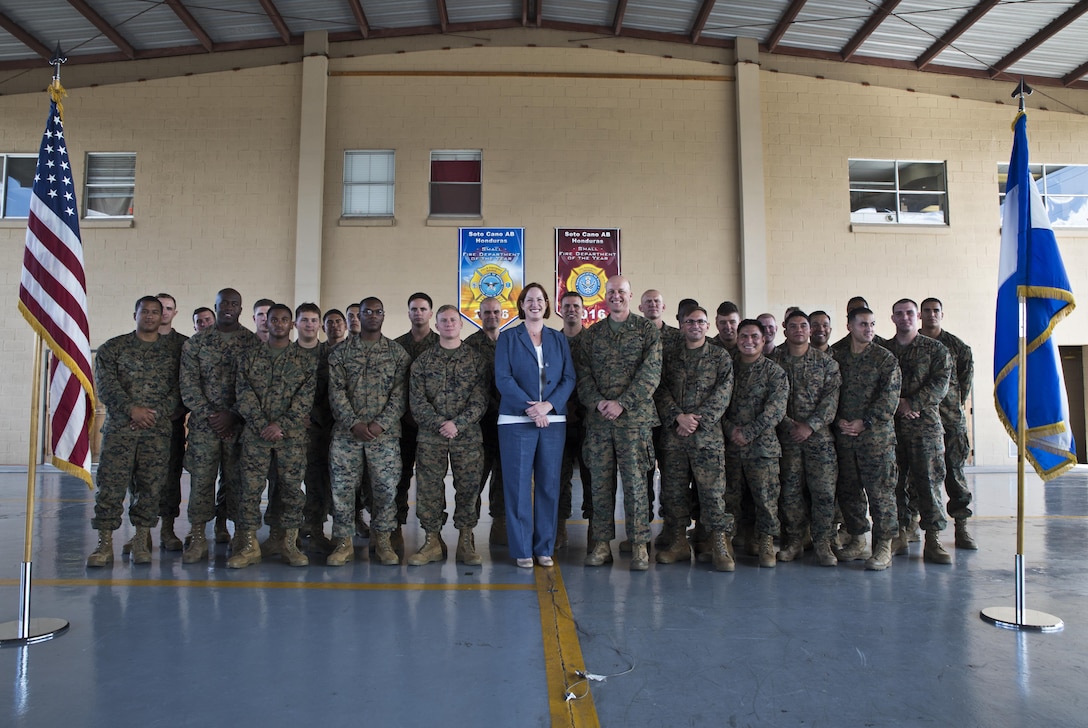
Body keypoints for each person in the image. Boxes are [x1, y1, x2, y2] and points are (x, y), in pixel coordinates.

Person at [575, 275, 662, 571]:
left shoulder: (646, 330)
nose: (616, 296)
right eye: (611, 292)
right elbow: (582, 373)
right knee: (600, 485)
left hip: (634, 421)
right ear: (605, 296)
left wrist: (622, 402)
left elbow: (651, 374)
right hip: (599, 423)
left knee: (637, 486)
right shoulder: (592, 334)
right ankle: (601, 544)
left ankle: (639, 544)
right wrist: (598, 402)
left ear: (630, 295)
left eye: (621, 292)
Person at [86, 297, 181, 567]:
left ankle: (141, 541)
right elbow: (105, 387)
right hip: (120, 430)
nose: (150, 316)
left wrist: (153, 414)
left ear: (163, 316)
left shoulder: (174, 352)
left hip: (156, 431)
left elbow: (179, 389)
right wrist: (132, 410)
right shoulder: (113, 348)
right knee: (111, 487)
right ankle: (104, 545)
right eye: (145, 312)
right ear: (135, 314)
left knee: (151, 488)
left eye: (155, 312)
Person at [496, 284, 576, 568]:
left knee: (548, 486)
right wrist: (531, 409)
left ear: (546, 305)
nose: (535, 304)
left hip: (553, 420)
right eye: (529, 300)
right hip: (516, 420)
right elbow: (503, 379)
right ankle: (522, 550)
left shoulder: (558, 338)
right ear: (521, 304)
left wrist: (548, 406)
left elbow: (569, 378)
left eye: (540, 300)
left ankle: (544, 547)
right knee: (517, 487)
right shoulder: (508, 338)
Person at [232, 303, 316, 568]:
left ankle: (288, 543)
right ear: (265, 323)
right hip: (256, 438)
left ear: (291, 325)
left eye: (284, 320)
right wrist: (262, 425)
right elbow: (243, 395)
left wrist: (281, 426)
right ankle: (248, 545)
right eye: (273, 319)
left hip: (290, 438)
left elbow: (305, 400)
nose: (278, 324)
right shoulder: (249, 358)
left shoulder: (306, 360)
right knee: (250, 491)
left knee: (291, 490)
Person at [179, 288, 261, 562]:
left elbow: (257, 387)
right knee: (201, 482)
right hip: (205, 428)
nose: (228, 307)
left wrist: (234, 415)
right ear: (214, 306)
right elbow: (188, 385)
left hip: (239, 427)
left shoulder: (252, 344)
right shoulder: (196, 344)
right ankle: (198, 537)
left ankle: (240, 536)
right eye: (223, 303)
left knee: (239, 482)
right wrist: (211, 416)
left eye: (234, 303)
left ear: (241, 308)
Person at [327, 297, 410, 566]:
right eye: (367, 312)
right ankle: (343, 542)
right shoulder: (340, 353)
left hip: (383, 436)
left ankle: (383, 540)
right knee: (342, 490)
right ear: (358, 316)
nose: (372, 316)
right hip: (347, 435)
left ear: (384, 316)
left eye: (377, 312)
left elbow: (400, 394)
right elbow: (336, 391)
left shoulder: (398, 354)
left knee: (385, 490)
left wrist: (379, 424)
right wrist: (354, 423)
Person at [654, 306, 735, 571]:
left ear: (707, 325)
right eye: (690, 321)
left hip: (707, 438)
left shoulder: (720, 357)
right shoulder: (670, 357)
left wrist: (696, 420)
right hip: (675, 436)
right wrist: (678, 417)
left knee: (712, 493)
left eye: (700, 321)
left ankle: (718, 543)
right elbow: (660, 389)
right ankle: (677, 541)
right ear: (682, 325)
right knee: (674, 492)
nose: (695, 326)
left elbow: (723, 393)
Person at [407, 305, 488, 566]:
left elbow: (480, 399)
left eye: (454, 320)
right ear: (437, 325)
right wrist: (441, 423)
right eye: (444, 320)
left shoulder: (476, 361)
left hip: (467, 437)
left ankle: (466, 540)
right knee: (429, 489)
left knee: (468, 488)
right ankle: (432, 540)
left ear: (461, 324)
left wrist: (458, 424)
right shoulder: (423, 362)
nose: (449, 324)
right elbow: (417, 401)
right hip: (432, 437)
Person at [882, 298, 954, 564]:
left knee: (929, 482)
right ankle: (899, 534)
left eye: (909, 313)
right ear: (893, 318)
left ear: (918, 316)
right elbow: (877, 385)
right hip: (890, 429)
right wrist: (897, 405)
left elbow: (940, 384)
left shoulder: (935, 349)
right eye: (899, 313)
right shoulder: (884, 350)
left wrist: (912, 403)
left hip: (925, 428)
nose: (905, 318)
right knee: (893, 484)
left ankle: (933, 540)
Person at [832, 306, 902, 570]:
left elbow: (889, 399)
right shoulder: (837, 357)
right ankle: (857, 538)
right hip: (845, 437)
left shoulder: (885, 359)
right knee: (849, 491)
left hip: (876, 440)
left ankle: (883, 544)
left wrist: (865, 422)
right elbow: (829, 392)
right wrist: (838, 419)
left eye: (872, 324)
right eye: (863, 324)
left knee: (880, 492)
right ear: (849, 326)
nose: (869, 329)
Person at [772, 310, 841, 566]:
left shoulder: (827, 364)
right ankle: (794, 541)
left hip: (819, 441)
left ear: (810, 330)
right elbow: (771, 400)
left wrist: (810, 426)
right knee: (789, 493)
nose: (799, 330)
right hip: (787, 439)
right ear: (784, 329)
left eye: (804, 325)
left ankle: (823, 543)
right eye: (794, 326)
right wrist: (791, 425)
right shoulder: (774, 361)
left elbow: (831, 402)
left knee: (823, 493)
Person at [722, 320, 789, 568]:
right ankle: (726, 541)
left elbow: (775, 411)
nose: (749, 341)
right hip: (730, 446)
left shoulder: (775, 372)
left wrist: (748, 433)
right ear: (737, 339)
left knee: (766, 499)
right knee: (729, 498)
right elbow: (718, 404)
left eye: (754, 337)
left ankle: (766, 543)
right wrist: (731, 430)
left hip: (763, 448)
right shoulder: (727, 367)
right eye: (744, 337)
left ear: (763, 340)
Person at [920, 296, 977, 550]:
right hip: (921, 422)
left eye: (936, 310)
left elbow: (964, 385)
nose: (932, 314)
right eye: (927, 311)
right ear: (920, 315)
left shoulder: (958, 347)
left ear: (942, 314)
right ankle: (920, 531)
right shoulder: (911, 343)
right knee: (920, 477)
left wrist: (951, 406)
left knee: (955, 474)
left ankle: (961, 528)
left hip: (951, 421)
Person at [394, 292, 439, 547]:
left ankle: (432, 533)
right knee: (400, 478)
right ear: (408, 313)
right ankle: (396, 526)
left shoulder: (441, 344)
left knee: (430, 480)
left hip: (430, 426)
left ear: (430, 313)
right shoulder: (397, 346)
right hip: (402, 425)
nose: (418, 313)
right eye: (414, 309)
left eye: (423, 309)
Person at [294, 303, 335, 552]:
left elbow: (335, 393)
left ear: (320, 325)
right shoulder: (287, 353)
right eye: (304, 320)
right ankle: (288, 531)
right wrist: (297, 416)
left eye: (313, 320)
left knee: (318, 482)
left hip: (320, 430)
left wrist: (315, 417)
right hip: (291, 431)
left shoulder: (330, 355)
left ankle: (317, 529)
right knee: (287, 481)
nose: (309, 324)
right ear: (295, 324)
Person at [466, 297, 506, 546]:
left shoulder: (511, 342)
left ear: (503, 313)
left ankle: (500, 523)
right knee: (474, 478)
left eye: (495, 312)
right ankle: (466, 529)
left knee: (503, 477)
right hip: (479, 424)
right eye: (487, 312)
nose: (491, 316)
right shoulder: (469, 345)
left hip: (508, 421)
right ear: (479, 315)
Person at [558, 291, 592, 548]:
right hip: (558, 420)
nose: (571, 310)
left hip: (589, 422)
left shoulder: (593, 340)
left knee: (593, 477)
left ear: (583, 310)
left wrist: (581, 409)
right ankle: (559, 527)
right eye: (567, 306)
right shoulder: (552, 341)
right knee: (558, 477)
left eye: (576, 306)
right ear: (560, 309)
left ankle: (595, 529)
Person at [154, 292, 188, 552]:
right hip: (137, 425)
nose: (163, 312)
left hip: (170, 425)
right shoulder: (127, 344)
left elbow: (187, 385)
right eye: (158, 308)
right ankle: (141, 534)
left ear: (175, 313)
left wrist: (166, 412)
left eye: (168, 308)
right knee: (138, 481)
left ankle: (168, 530)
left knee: (170, 477)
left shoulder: (184, 345)